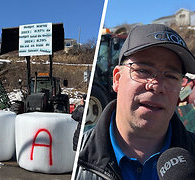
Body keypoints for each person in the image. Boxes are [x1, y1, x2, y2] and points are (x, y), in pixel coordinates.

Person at [75, 24, 195, 179]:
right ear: (117, 79)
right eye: (143, 71)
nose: (157, 86)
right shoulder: (77, 158)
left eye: (171, 76)